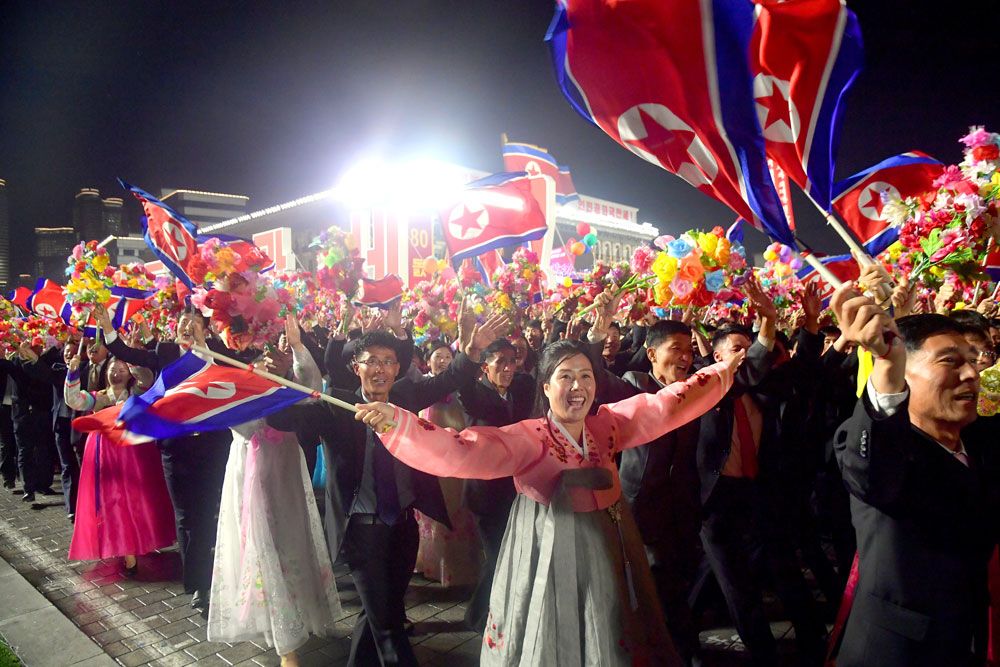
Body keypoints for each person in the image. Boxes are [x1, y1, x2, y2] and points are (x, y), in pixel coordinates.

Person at [354, 328, 742, 666]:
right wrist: (397, 423)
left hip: (608, 542)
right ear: (545, 386)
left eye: (586, 377)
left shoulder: (608, 426)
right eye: (565, 377)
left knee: (609, 618)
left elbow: (665, 405)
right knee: (550, 622)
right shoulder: (530, 437)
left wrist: (721, 371)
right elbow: (461, 448)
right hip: (547, 548)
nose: (578, 387)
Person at [267, 308, 508, 667]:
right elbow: (282, 417)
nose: (380, 369)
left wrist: (472, 352)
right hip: (360, 532)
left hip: (404, 528)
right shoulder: (337, 406)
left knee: (381, 612)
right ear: (356, 367)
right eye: (372, 362)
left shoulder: (405, 397)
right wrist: (277, 378)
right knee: (390, 628)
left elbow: (448, 380)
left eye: (388, 362)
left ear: (398, 368)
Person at [830, 282, 991, 666]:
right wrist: (887, 364)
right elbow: (870, 468)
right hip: (896, 652)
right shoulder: (886, 451)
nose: (972, 373)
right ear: (906, 374)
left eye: (973, 360)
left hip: (966, 638)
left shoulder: (983, 441)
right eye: (950, 361)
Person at [208, 316, 341, 667]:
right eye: (269, 350)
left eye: (280, 349)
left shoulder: (292, 385)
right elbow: (239, 425)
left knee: (291, 540)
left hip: (286, 471)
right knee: (260, 541)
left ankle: (296, 613)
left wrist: (297, 347)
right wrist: (255, 386)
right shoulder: (239, 379)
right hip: (250, 472)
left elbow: (313, 388)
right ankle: (285, 643)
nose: (275, 355)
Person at [96, 304, 240, 614]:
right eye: (183, 322)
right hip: (176, 449)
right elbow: (128, 353)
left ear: (205, 329)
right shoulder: (166, 351)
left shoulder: (217, 352)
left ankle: (216, 573)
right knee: (187, 516)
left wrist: (206, 345)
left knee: (209, 512)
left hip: (212, 446)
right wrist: (108, 327)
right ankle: (199, 585)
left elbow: (242, 365)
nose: (186, 326)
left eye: (194, 322)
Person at [619, 319, 704, 665]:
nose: (686, 358)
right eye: (676, 349)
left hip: (684, 505)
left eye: (689, 351)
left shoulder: (696, 388)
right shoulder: (635, 385)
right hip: (642, 507)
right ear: (652, 354)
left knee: (676, 581)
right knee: (655, 583)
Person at [64, 355, 175, 574]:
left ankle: (134, 543)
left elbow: (148, 381)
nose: (116, 373)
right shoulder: (98, 397)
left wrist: (132, 361)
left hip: (132, 453)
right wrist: (73, 371)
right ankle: (123, 548)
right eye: (112, 369)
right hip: (103, 452)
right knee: (110, 500)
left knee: (135, 498)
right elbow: (73, 399)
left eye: (122, 370)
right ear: (105, 372)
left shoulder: (136, 394)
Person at [458, 338, 534, 631]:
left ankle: (485, 614)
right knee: (497, 556)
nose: (507, 367)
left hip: (517, 489)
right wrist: (468, 352)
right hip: (486, 493)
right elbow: (464, 387)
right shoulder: (475, 394)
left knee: (509, 553)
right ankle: (480, 617)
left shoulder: (522, 389)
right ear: (485, 366)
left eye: (512, 361)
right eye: (500, 361)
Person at [412, 340, 481, 589]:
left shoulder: (461, 390)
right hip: (429, 461)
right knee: (431, 513)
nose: (442, 361)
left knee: (456, 511)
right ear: (427, 361)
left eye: (447, 357)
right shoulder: (421, 389)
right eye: (437, 356)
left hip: (457, 461)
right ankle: (429, 563)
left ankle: (455, 565)